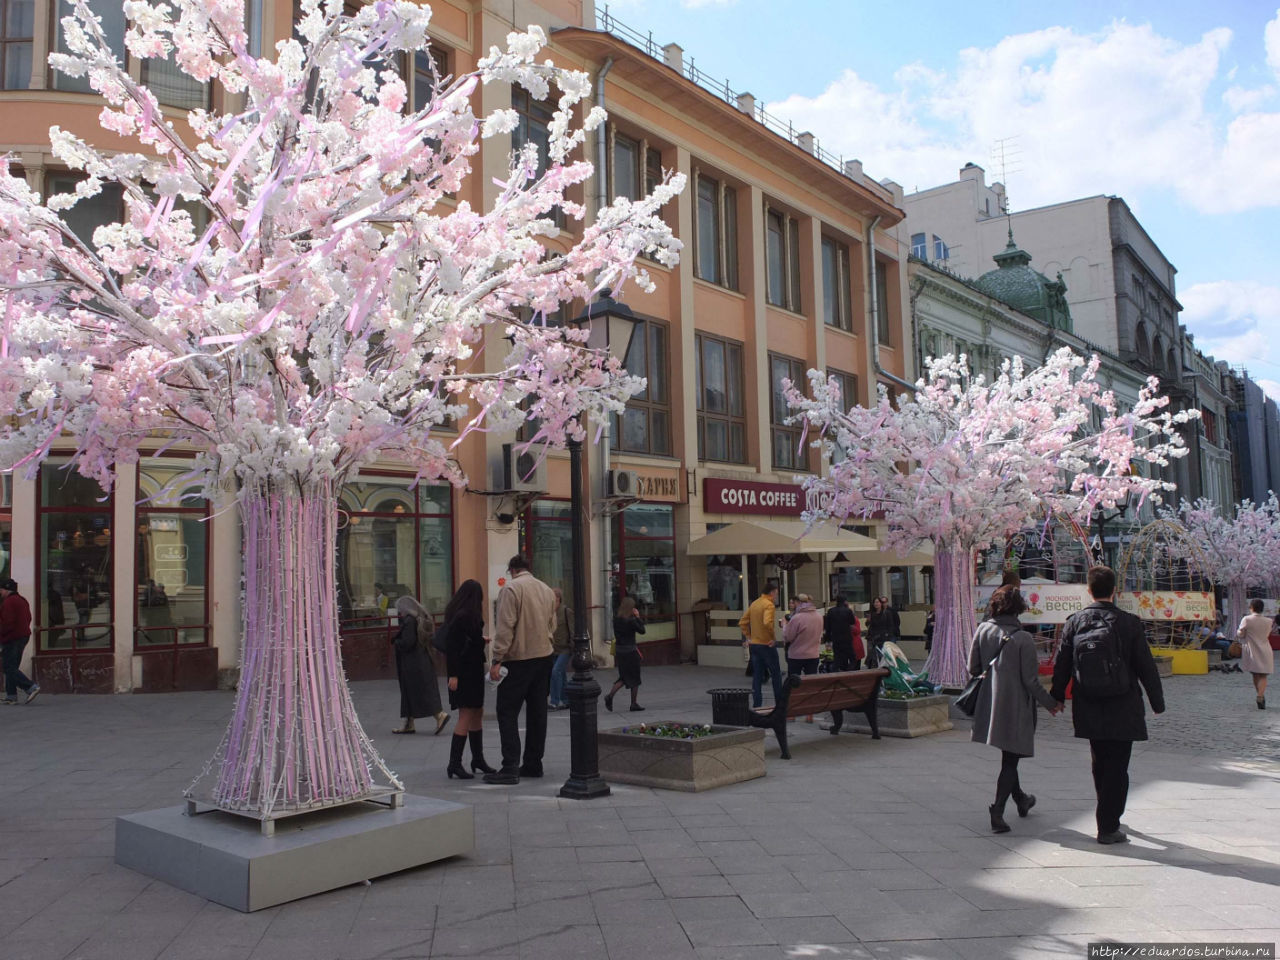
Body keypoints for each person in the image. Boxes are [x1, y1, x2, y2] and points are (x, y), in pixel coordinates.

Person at [1051, 565, 1164, 845]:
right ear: (1115, 590)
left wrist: (1055, 696)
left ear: (1089, 591)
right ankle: (1108, 825)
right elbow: (1146, 666)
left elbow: (1062, 664)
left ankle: (1107, 814)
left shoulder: (1074, 622)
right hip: (1123, 703)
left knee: (1099, 761)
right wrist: (1157, 702)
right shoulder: (1129, 622)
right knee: (1118, 764)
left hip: (1088, 702)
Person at [969, 585, 1062, 834]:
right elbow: (1031, 681)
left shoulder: (983, 629)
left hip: (989, 705)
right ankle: (997, 811)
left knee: (1009, 755)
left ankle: (1021, 798)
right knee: (1011, 759)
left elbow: (973, 668)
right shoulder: (1023, 638)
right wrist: (1051, 703)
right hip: (1016, 706)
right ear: (1019, 608)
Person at [485, 555, 557, 784]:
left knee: (507, 712)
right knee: (538, 713)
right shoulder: (546, 589)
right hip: (544, 656)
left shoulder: (511, 589)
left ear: (512, 570)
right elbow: (552, 624)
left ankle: (510, 767)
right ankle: (534, 763)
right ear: (528, 568)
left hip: (518, 659)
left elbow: (505, 626)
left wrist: (497, 659)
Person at [443, 579, 495, 779]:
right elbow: (453, 648)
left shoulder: (462, 615)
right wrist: (454, 675)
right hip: (464, 673)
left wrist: (480, 640)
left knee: (477, 712)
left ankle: (478, 759)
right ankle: (454, 763)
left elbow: (466, 641)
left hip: (471, 671)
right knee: (466, 714)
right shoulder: (464, 616)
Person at [390, 596, 450, 736]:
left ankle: (440, 715)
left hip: (413, 664)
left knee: (420, 691)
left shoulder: (410, 621)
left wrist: (396, 642)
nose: (399, 613)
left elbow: (408, 642)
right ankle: (408, 723)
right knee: (415, 691)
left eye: (400, 610)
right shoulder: (418, 618)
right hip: (421, 661)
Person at [823, 594, 865, 735]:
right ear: (845, 602)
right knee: (851, 658)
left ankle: (837, 674)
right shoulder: (847, 611)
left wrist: (828, 638)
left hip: (836, 639)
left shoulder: (831, 611)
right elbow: (852, 622)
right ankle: (849, 672)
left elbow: (827, 627)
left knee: (837, 659)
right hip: (847, 638)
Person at [740, 582, 782, 708]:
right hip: (766, 644)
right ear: (772, 592)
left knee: (757, 675)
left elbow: (743, 622)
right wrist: (772, 638)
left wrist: (749, 637)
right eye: (776, 594)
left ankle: (757, 704)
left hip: (754, 644)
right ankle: (780, 703)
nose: (776, 597)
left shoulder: (755, 603)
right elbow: (767, 622)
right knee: (776, 674)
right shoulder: (769, 605)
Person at [783, 594, 823, 723]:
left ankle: (792, 713)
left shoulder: (797, 617)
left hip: (796, 655)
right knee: (810, 685)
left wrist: (784, 625)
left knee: (793, 685)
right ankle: (809, 713)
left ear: (798, 602)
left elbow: (788, 637)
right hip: (813, 654)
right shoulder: (818, 616)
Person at [605, 596, 646, 712]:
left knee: (624, 677)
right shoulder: (631, 621)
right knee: (635, 677)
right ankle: (633, 703)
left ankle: (610, 696)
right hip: (631, 651)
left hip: (620, 650)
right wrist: (638, 617)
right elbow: (642, 630)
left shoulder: (616, 620)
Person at [0, 579, 38, 705]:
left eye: (1, 590)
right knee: (12, 666)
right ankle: (11, 696)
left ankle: (31, 687)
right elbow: (29, 617)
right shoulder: (22, 600)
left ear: (5, 589)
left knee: (8, 667)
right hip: (23, 636)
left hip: (12, 637)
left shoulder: (9, 602)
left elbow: (7, 623)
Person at [1237, 598, 1274, 709]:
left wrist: (1240, 633)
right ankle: (1260, 695)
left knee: (1255, 674)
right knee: (1263, 675)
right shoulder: (1269, 621)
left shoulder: (1247, 619)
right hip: (1265, 649)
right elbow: (1267, 634)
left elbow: (1240, 634)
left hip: (1252, 650)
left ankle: (1260, 695)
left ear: (1251, 608)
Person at [548, 588, 573, 711]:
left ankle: (554, 701)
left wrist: (573, 647)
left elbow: (572, 630)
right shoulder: (549, 612)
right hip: (553, 649)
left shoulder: (566, 611)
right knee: (561, 674)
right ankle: (566, 700)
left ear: (559, 599)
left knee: (555, 672)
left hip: (565, 649)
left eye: (555, 598)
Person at [867, 596, 895, 666]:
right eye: (874, 602)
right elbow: (870, 625)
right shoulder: (872, 614)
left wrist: (889, 635)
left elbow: (890, 625)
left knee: (883, 656)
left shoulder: (887, 613)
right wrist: (868, 621)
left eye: (877, 602)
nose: (876, 604)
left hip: (884, 638)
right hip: (875, 638)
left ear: (880, 603)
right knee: (875, 656)